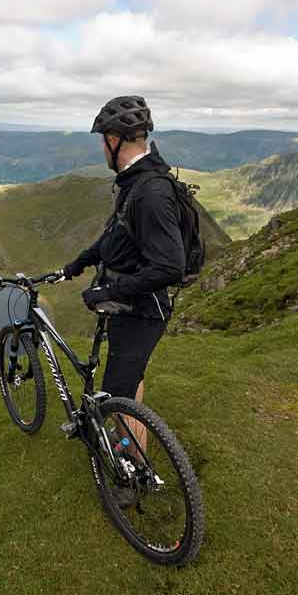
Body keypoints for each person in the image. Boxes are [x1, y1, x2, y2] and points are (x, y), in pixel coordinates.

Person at [60, 96, 185, 460]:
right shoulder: (136, 183)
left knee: (116, 395)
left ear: (115, 140)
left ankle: (132, 471)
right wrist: (82, 261)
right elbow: (119, 234)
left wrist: (108, 291)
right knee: (129, 379)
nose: (102, 147)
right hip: (132, 305)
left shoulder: (151, 193)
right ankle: (130, 444)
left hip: (142, 311)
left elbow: (169, 267)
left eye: (103, 140)